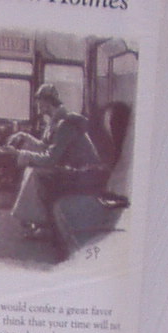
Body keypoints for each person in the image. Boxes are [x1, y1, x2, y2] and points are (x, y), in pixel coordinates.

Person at [10, 83, 105, 239]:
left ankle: (42, 225)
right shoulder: (55, 121)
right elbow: (45, 146)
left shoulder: (65, 124)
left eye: (39, 101)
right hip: (75, 168)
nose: (37, 105)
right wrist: (24, 136)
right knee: (31, 170)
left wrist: (21, 154)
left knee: (35, 173)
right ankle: (33, 219)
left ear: (47, 102)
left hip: (86, 172)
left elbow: (50, 159)